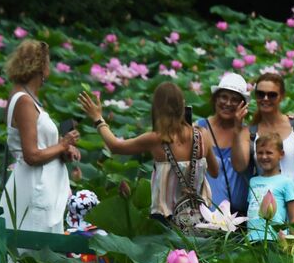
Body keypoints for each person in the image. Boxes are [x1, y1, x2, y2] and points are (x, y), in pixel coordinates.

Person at [78, 81, 221, 233]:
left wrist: (98, 118)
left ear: (156, 109)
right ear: (183, 105)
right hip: (199, 217)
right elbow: (214, 171)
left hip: (165, 220)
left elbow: (114, 146)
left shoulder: (155, 139)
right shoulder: (203, 135)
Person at [1, 39, 78, 233]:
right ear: (40, 66)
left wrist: (62, 151)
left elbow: (40, 147)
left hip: (41, 185)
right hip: (36, 188)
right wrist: (63, 144)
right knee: (34, 252)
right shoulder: (24, 101)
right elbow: (32, 156)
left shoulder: (24, 97)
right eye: (48, 62)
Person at [197, 72, 252, 217]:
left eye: (234, 100)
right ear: (215, 99)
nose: (228, 103)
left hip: (238, 218)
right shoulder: (200, 128)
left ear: (243, 105)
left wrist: (236, 129)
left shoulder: (245, 132)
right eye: (224, 97)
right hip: (207, 215)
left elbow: (240, 165)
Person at [247, 72, 294, 180]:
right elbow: (239, 167)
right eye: (260, 94)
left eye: (272, 95)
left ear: (282, 96)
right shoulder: (250, 132)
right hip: (265, 195)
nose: (265, 98)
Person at [247, 137, 294, 242]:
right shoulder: (253, 181)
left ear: (281, 154)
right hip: (251, 239)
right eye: (260, 153)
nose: (264, 156)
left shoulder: (286, 182)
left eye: (269, 153)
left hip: (274, 239)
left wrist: (292, 243)